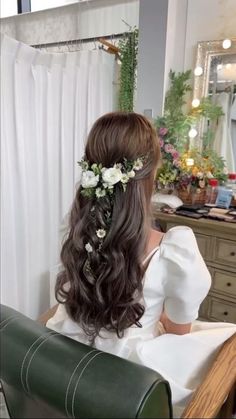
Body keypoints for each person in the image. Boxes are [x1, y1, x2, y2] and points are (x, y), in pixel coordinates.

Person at [47, 112, 236, 417]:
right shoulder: (175, 249)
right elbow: (179, 331)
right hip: (133, 378)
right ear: (149, 175)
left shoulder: (81, 234)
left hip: (76, 357)